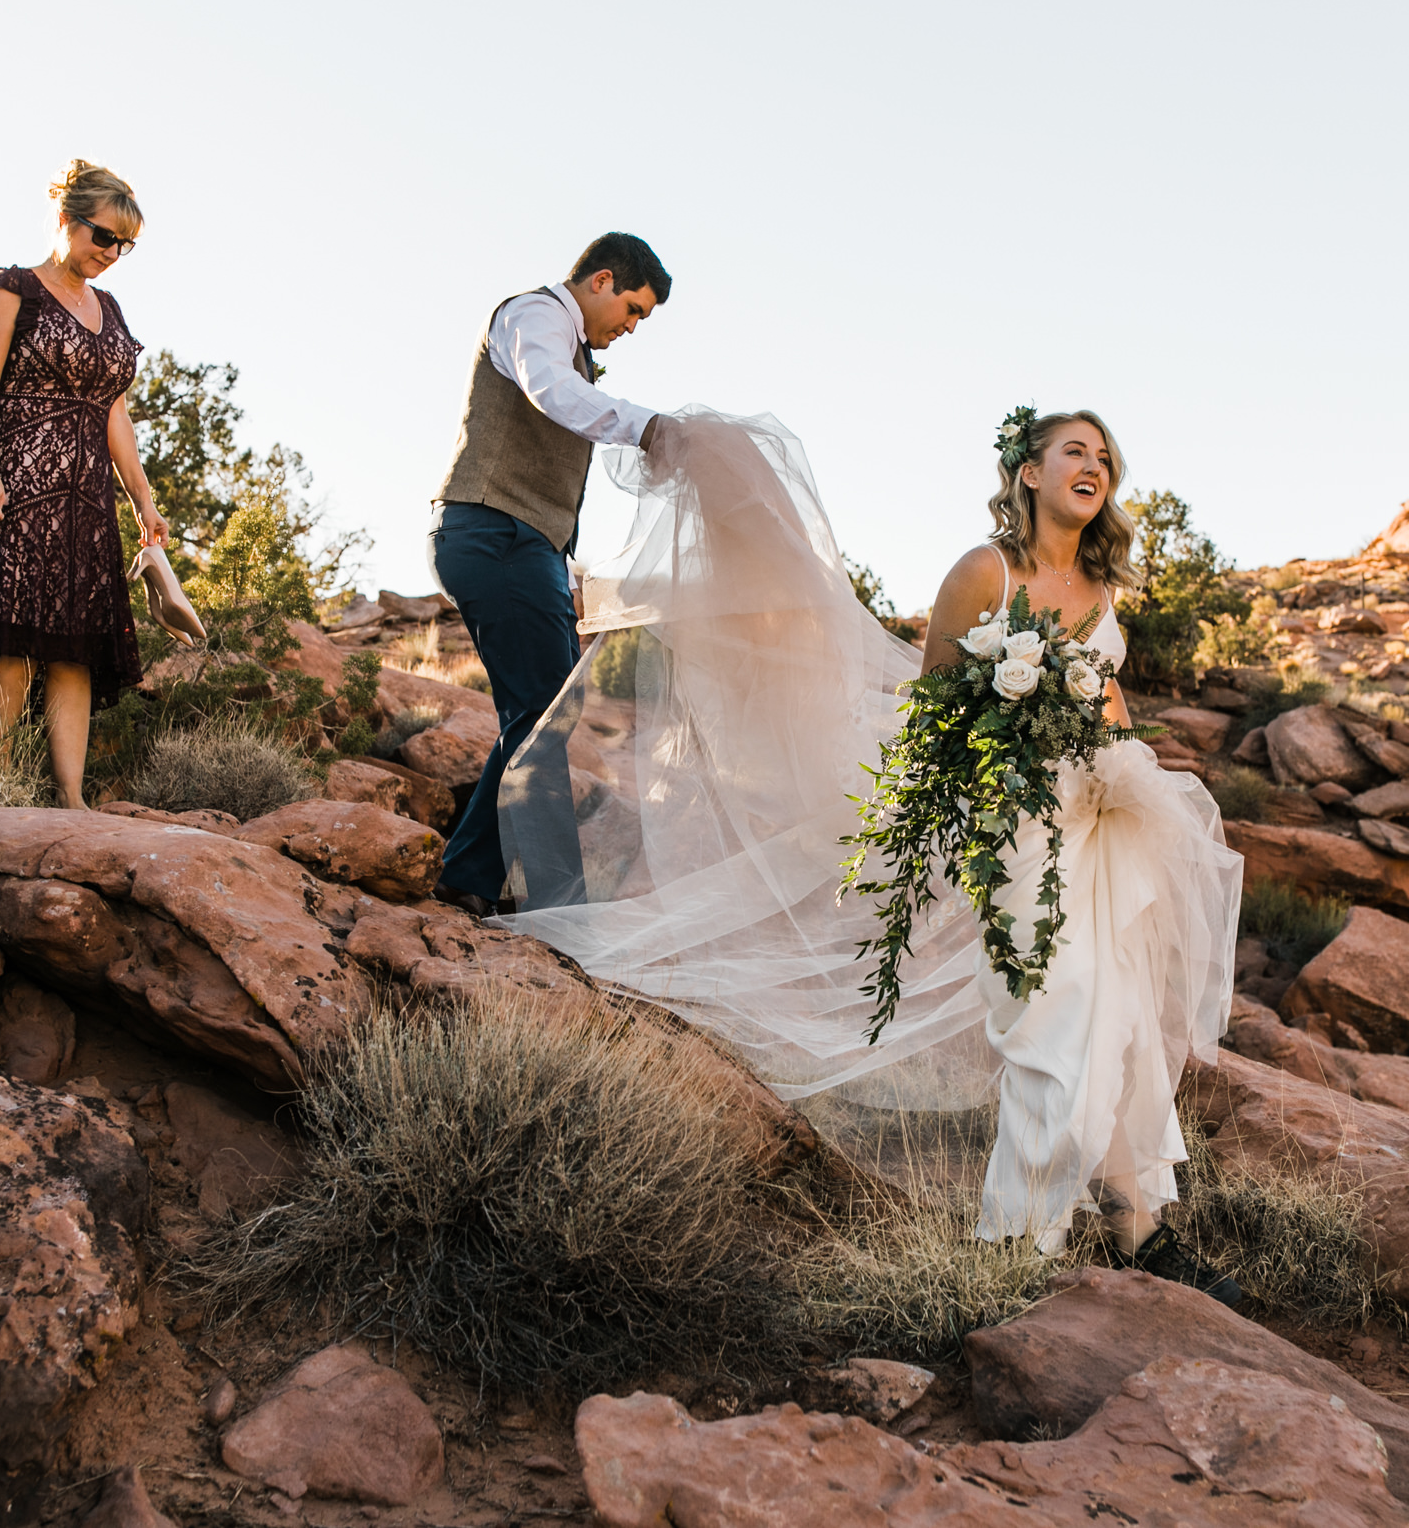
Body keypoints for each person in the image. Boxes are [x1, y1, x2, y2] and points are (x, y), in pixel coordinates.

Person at [496, 406, 1241, 1259]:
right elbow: (932, 712)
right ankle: (1019, 1241)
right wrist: (1008, 748)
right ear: (1029, 473)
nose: (1094, 465)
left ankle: (1140, 1228)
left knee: (1123, 1019)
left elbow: (1110, 704)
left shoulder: (1102, 595)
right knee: (1056, 1018)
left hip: (1102, 827)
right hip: (1014, 830)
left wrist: (1114, 756)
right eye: (1075, 450)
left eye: (1105, 457)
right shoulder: (983, 573)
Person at [428, 232, 673, 919]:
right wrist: (647, 427)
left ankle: (470, 874)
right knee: (542, 711)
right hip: (489, 529)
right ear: (601, 279)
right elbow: (549, 390)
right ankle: (559, 903)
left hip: (526, 545)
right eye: (633, 309)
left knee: (539, 714)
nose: (630, 327)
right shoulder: (535, 317)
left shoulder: (578, 352)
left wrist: (560, 564)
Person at [0, 160, 167, 809]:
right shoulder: (10, 290)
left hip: (87, 503)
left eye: (126, 245)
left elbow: (114, 410)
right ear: (66, 220)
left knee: (76, 652)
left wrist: (142, 499)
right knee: (12, 642)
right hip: (15, 491)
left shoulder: (110, 309)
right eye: (103, 237)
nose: (113, 254)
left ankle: (72, 800)